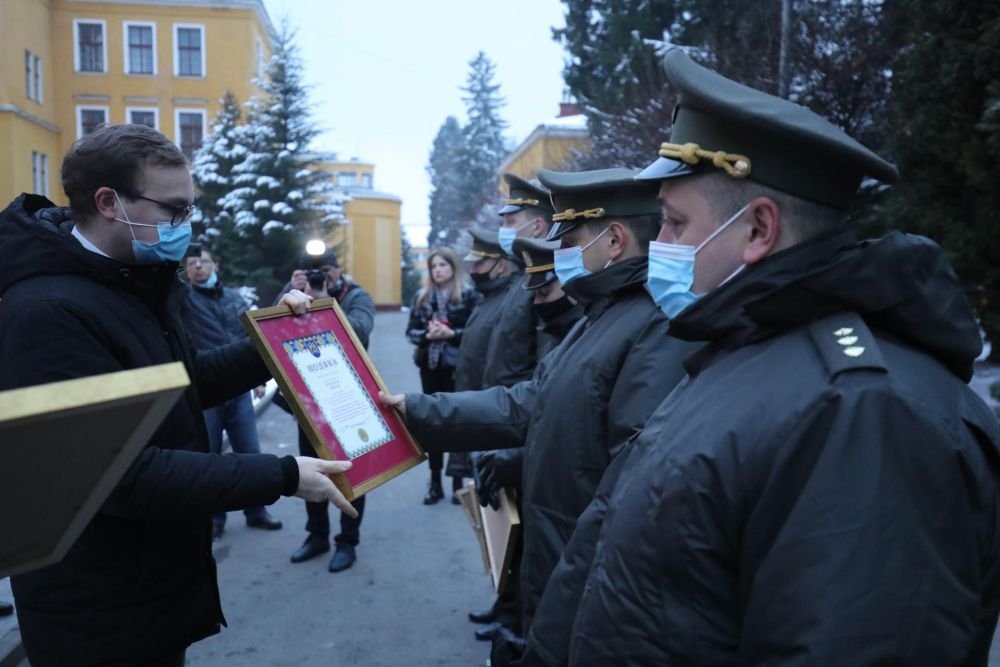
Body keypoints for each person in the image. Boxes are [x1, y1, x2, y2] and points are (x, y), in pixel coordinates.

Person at [556, 49, 1000, 666]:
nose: (658, 247)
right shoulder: (744, 349)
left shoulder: (864, 414)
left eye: (675, 224)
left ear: (759, 230)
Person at [0, 124, 356, 667]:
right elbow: (117, 475)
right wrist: (282, 475)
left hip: (147, 584)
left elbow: (180, 386)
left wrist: (274, 340)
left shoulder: (128, 279)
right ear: (109, 202)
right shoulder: (48, 312)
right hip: (100, 612)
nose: (185, 228)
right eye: (174, 210)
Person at [380, 168, 699, 663]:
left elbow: (627, 499)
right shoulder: (604, 316)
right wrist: (418, 410)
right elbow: (530, 401)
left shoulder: (652, 325)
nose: (560, 252)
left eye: (570, 238)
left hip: (582, 573)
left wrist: (547, 640)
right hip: (556, 552)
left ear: (613, 240)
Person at [280, 251, 377, 573]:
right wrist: (289, 293)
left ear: (337, 270)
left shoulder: (356, 296)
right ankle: (317, 535)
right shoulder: (295, 295)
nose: (321, 277)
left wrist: (323, 304)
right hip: (309, 401)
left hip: (348, 401)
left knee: (352, 472)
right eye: (313, 273)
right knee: (312, 469)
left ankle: (347, 541)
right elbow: (274, 333)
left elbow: (359, 332)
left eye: (325, 271)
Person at [182, 245, 283, 540]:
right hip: (208, 391)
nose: (197, 267)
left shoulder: (234, 298)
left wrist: (256, 375)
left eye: (203, 261)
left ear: (217, 265)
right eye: (192, 263)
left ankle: (257, 511)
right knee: (210, 457)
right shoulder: (185, 300)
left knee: (249, 452)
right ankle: (214, 519)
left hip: (238, 392)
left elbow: (245, 336)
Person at [406, 246, 479, 504]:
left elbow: (475, 331)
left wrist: (452, 334)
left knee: (457, 422)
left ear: (453, 267)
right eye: (433, 266)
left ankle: (458, 482)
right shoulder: (422, 297)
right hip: (431, 367)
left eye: (442, 265)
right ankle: (435, 482)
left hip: (458, 368)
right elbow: (410, 332)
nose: (437, 270)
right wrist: (427, 336)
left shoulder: (468, 296)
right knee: (432, 423)